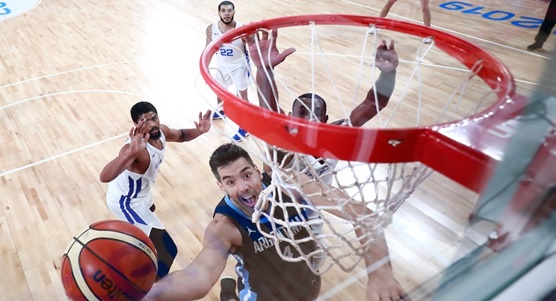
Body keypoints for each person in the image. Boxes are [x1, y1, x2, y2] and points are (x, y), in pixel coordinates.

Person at [142, 143, 408, 301]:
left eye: (247, 175)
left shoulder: (293, 189)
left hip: (308, 288)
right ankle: (230, 294)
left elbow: (362, 214)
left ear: (259, 172)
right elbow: (197, 277)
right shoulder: (225, 225)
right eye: (231, 182)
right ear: (221, 186)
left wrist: (381, 273)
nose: (244, 187)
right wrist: (145, 295)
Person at [246, 29, 399, 185]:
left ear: (325, 120)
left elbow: (373, 104)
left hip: (319, 202)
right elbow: (270, 115)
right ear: (291, 117)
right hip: (278, 202)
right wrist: (264, 71)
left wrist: (388, 74)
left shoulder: (336, 137)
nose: (309, 117)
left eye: (316, 113)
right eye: (302, 112)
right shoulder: (284, 146)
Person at [99, 101, 211, 279]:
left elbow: (181, 135)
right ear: (137, 125)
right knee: (166, 250)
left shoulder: (162, 132)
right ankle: (149, 292)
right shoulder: (134, 150)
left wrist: (200, 130)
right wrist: (129, 153)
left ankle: (137, 249)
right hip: (126, 202)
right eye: (146, 121)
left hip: (142, 194)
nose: (152, 124)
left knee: (150, 215)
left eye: (154, 118)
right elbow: (104, 176)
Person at [206, 0, 250, 141]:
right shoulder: (211, 29)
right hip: (222, 63)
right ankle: (221, 110)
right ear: (219, 13)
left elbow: (251, 45)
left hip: (239, 64)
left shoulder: (242, 28)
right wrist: (205, 68)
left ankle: (245, 127)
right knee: (219, 89)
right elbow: (207, 49)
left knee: (242, 96)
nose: (226, 14)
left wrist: (248, 39)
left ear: (234, 12)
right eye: (223, 11)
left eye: (229, 11)